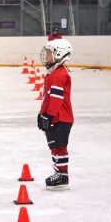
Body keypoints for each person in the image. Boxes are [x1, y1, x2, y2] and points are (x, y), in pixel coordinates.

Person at [38, 39, 73, 191]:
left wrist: (49, 115)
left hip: (61, 117)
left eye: (49, 54)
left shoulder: (58, 75)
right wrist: (42, 113)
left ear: (59, 54)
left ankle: (63, 175)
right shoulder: (54, 72)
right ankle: (58, 171)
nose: (46, 57)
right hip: (55, 117)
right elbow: (48, 97)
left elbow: (57, 99)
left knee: (59, 146)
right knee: (54, 146)